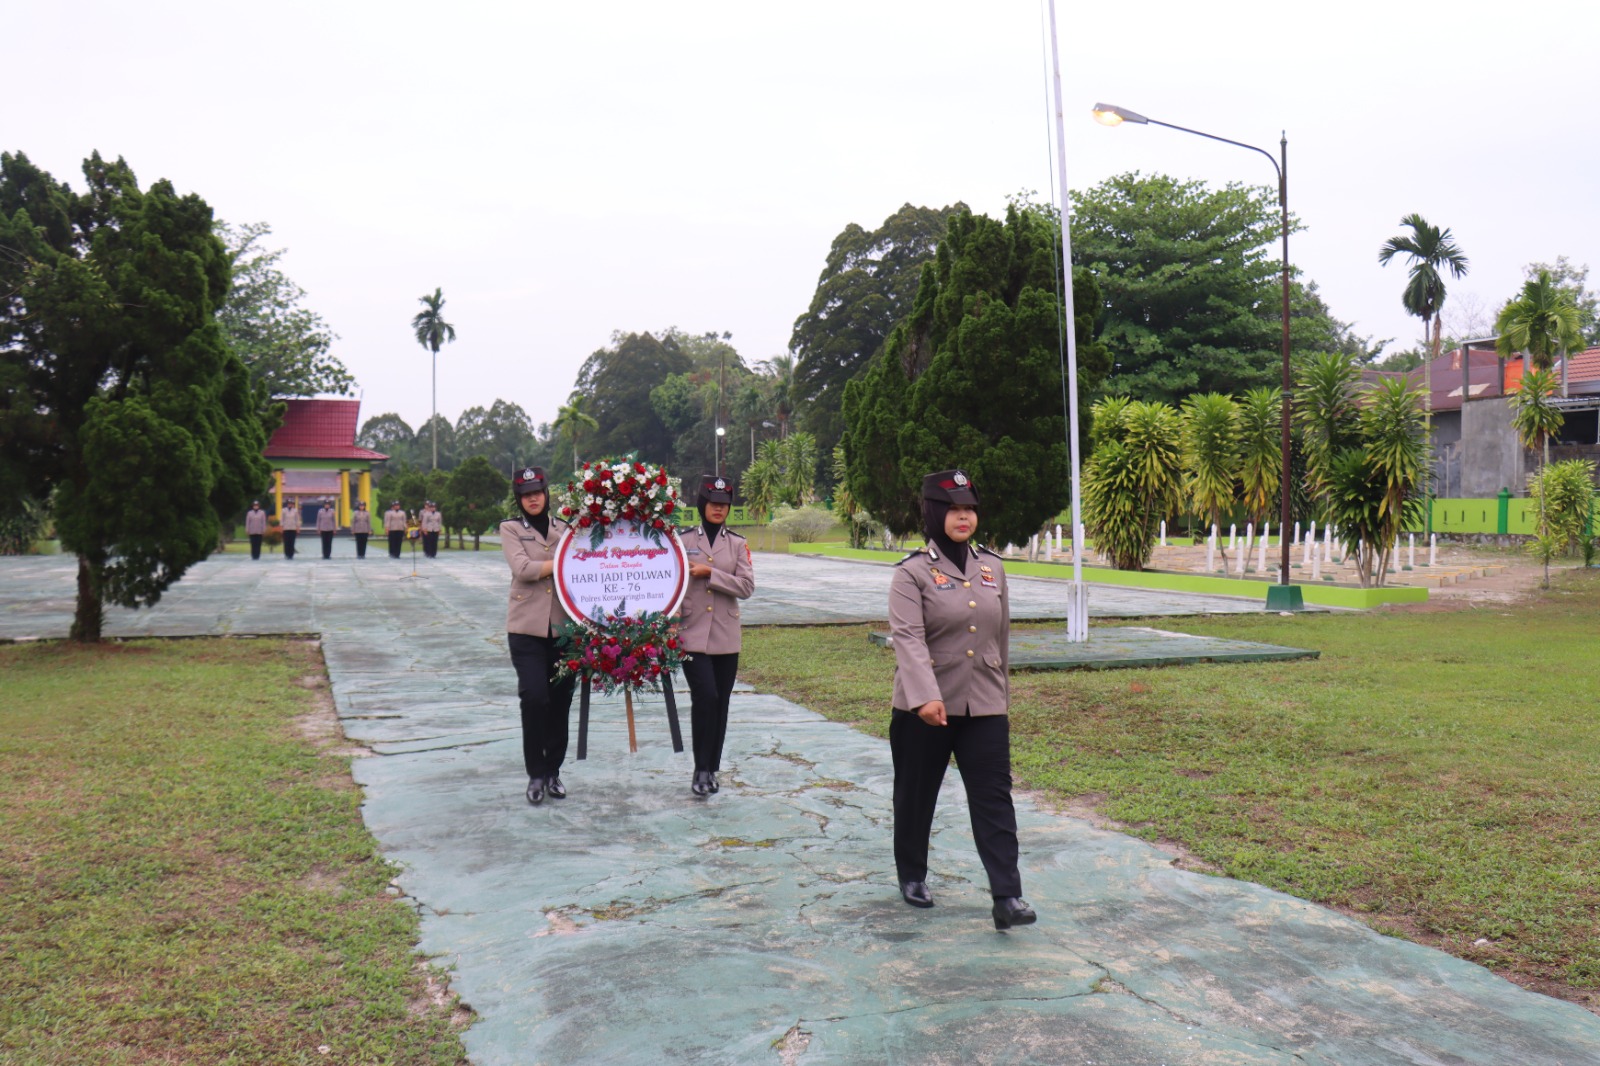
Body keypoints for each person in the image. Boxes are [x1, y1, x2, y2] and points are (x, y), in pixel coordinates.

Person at [887, 469, 1035, 931]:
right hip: (923, 709)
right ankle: (912, 874)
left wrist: (1002, 696)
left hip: (985, 704)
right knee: (916, 795)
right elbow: (908, 640)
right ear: (934, 513)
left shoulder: (993, 568)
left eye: (969, 508)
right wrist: (925, 698)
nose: (963, 516)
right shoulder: (911, 573)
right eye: (953, 509)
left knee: (994, 799)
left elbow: (1001, 638)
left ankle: (1007, 895)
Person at [500, 467, 577, 805]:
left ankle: (553, 771)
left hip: (564, 629)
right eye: (525, 494)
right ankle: (535, 773)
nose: (532, 498)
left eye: (537, 492)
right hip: (526, 630)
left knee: (560, 703)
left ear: (547, 494)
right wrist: (564, 561)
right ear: (519, 498)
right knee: (535, 699)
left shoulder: (567, 529)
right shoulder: (511, 529)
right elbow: (524, 570)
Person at [675, 475, 755, 796]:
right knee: (704, 697)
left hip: (725, 636)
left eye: (724, 505)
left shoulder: (737, 544)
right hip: (691, 633)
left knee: (720, 704)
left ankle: (712, 769)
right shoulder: (682, 542)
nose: (719, 509)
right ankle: (700, 768)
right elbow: (673, 584)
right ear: (702, 504)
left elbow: (746, 587)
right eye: (713, 503)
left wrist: (712, 573)